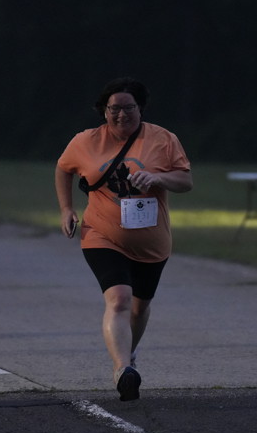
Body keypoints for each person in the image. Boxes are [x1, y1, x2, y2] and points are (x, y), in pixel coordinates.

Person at [55, 77, 192, 401]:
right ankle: (122, 370)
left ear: (140, 109)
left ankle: (129, 354)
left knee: (139, 308)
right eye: (113, 108)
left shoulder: (163, 139)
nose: (121, 115)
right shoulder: (85, 141)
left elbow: (185, 181)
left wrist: (158, 177)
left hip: (151, 242)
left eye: (128, 108)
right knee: (119, 299)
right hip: (101, 234)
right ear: (104, 111)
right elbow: (63, 168)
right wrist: (66, 209)